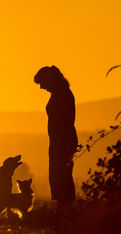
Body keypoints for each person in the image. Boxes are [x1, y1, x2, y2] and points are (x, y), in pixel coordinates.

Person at [34, 65, 78, 207]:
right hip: (58, 140)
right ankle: (63, 206)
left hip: (62, 141)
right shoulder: (60, 93)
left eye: (42, 83)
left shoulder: (63, 94)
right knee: (58, 174)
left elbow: (65, 121)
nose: (41, 87)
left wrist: (62, 142)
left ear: (50, 80)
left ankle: (65, 207)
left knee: (61, 175)